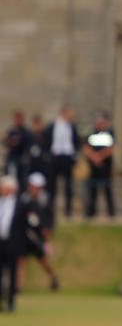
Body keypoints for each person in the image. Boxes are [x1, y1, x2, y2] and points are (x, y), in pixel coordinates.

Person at [18, 172, 59, 292]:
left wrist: (48, 229)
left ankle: (53, 277)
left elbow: (49, 218)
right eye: (32, 185)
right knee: (20, 260)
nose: (33, 188)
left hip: (37, 237)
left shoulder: (45, 200)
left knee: (43, 261)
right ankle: (18, 286)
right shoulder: (24, 198)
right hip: (25, 235)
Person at [44, 105, 80, 218]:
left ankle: (68, 210)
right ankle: (50, 209)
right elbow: (46, 140)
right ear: (63, 113)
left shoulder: (72, 127)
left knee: (68, 185)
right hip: (55, 157)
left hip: (67, 157)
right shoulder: (52, 126)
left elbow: (76, 141)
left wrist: (74, 155)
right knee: (52, 185)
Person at [0, 176, 27, 313]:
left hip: (12, 245)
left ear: (10, 189)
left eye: (3, 187)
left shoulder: (20, 205)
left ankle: (10, 303)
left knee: (11, 274)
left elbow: (24, 227)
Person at [83, 112, 115, 218]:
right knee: (93, 190)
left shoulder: (109, 134)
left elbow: (111, 148)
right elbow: (86, 147)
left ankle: (111, 212)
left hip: (105, 166)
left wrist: (100, 157)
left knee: (107, 188)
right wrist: (94, 157)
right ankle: (91, 212)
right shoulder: (92, 134)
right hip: (94, 166)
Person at [2, 110, 31, 191]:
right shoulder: (11, 131)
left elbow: (25, 143)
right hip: (11, 159)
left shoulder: (26, 132)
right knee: (9, 178)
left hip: (21, 160)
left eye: (19, 118)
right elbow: (6, 141)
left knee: (21, 181)